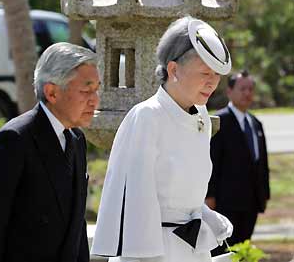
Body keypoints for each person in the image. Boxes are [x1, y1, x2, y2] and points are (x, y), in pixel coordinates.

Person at [91, 16, 233, 262]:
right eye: (204, 73)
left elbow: (185, 191)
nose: (213, 82)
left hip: (193, 249)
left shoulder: (201, 116)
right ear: (173, 70)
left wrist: (205, 215)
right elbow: (136, 200)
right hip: (154, 251)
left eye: (216, 74)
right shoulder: (147, 117)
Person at [0, 42, 100, 262]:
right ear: (51, 92)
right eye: (86, 90)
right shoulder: (13, 140)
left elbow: (76, 229)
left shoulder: (76, 140)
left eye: (97, 89)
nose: (95, 100)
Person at [206, 70, 270, 255]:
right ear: (229, 91)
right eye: (242, 89)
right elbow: (212, 163)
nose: (247, 93)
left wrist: (264, 194)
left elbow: (262, 163)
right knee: (225, 252)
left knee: (243, 250)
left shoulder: (256, 124)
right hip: (226, 203)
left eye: (250, 89)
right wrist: (210, 197)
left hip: (251, 202)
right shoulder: (219, 122)